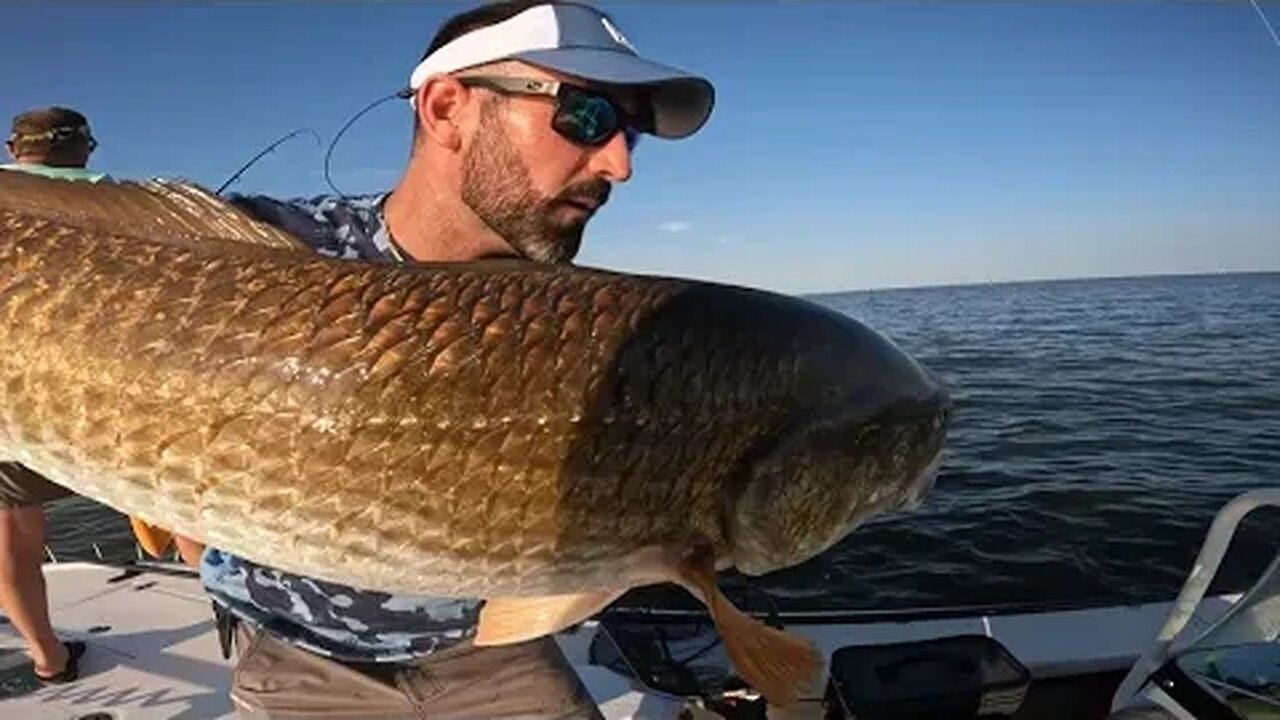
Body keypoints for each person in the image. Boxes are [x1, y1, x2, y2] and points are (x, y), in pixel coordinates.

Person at [198, 1, 714, 717]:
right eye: (589, 118)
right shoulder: (258, 255)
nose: (619, 165)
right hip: (294, 654)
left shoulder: (575, 321)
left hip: (490, 646)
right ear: (447, 109)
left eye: (630, 133)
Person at [0, 105, 107, 684]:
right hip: (117, 398)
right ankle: (238, 624)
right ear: (85, 149)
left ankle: (49, 658)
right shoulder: (121, 200)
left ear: (16, 150)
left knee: (15, 535)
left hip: (16, 402)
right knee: (181, 517)